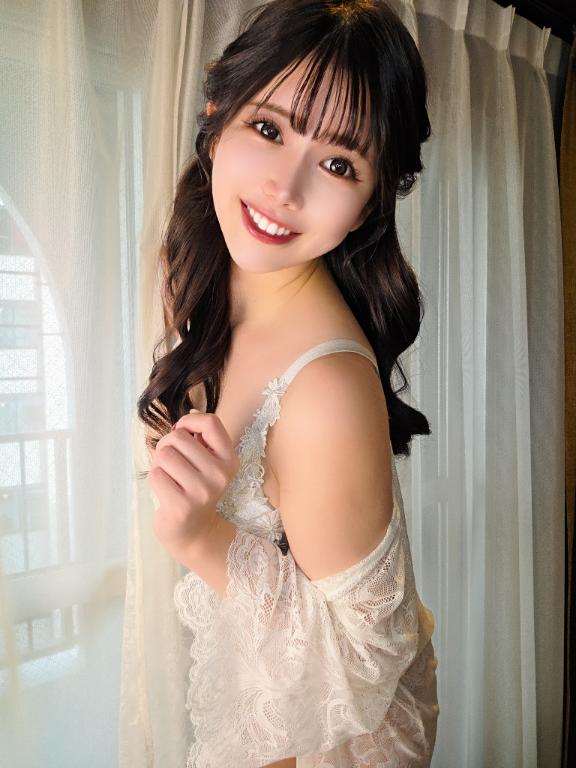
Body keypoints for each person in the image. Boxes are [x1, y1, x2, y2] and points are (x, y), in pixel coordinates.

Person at [138, 0, 439, 765]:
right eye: (269, 129)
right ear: (217, 115)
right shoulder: (205, 270)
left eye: (338, 164)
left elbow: (370, 670)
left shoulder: (325, 388)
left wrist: (202, 537)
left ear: (370, 202)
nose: (285, 188)